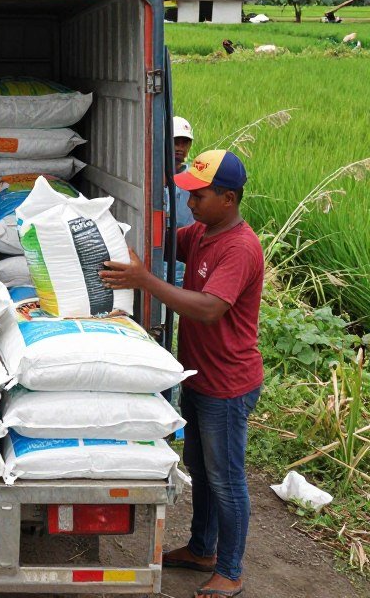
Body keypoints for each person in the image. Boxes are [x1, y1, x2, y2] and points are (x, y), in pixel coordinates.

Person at [100, 150, 263, 598]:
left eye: (200, 195)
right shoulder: (206, 231)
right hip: (199, 375)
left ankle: (230, 572)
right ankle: (202, 550)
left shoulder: (239, 247)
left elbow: (211, 309)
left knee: (227, 481)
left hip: (227, 385)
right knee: (202, 469)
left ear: (228, 199)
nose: (189, 203)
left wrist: (144, 281)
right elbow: (168, 240)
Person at [173, 116, 195, 286]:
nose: (180, 148)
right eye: (175, 142)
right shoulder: (151, 178)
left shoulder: (195, 181)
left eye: (184, 143)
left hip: (183, 263)